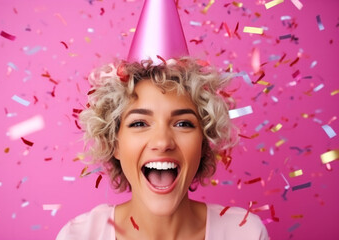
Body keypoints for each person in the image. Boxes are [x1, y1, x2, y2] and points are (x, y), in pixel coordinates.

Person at [56, 57, 269, 240]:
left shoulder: (245, 233)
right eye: (139, 123)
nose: (162, 142)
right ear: (114, 143)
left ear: (203, 144)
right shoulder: (80, 236)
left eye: (183, 123)